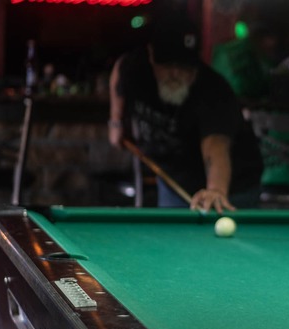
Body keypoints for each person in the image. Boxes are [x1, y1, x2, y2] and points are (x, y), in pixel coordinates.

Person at [108, 15, 263, 213]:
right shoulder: (135, 68)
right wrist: (116, 122)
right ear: (151, 55)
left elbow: (215, 147)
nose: (175, 73)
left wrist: (215, 190)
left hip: (234, 188)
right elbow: (119, 72)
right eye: (168, 65)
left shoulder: (213, 91)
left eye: (183, 66)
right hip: (174, 180)